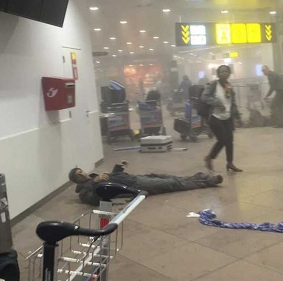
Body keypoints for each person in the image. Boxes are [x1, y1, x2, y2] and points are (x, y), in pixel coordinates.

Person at [69, 161, 223, 206]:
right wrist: (95, 182)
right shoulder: (84, 191)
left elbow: (112, 178)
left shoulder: (92, 177)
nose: (82, 173)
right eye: (78, 175)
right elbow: (95, 200)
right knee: (172, 184)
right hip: (135, 185)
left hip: (133, 177)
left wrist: (117, 168)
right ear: (76, 181)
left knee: (170, 178)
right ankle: (208, 181)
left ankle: (200, 177)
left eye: (81, 170)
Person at [201, 65, 243, 172]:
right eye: (222, 71)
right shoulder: (213, 85)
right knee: (222, 140)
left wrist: (238, 116)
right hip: (215, 117)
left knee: (230, 141)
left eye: (227, 71)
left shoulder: (229, 86)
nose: (225, 73)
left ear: (229, 73)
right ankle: (209, 158)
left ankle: (230, 163)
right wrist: (216, 102)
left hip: (227, 116)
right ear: (218, 74)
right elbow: (204, 97)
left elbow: (232, 103)